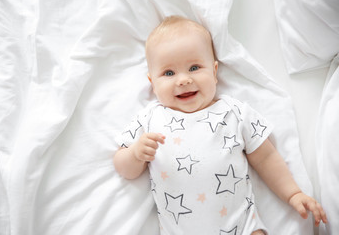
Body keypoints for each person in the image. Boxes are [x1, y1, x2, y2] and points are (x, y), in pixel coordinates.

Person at [113, 16, 327, 235]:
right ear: (152, 83)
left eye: (195, 67)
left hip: (243, 228)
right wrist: (136, 154)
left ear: (214, 72)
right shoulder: (150, 118)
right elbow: (123, 167)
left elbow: (265, 157)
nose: (183, 80)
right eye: (169, 73)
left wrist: (293, 194)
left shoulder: (234, 112)